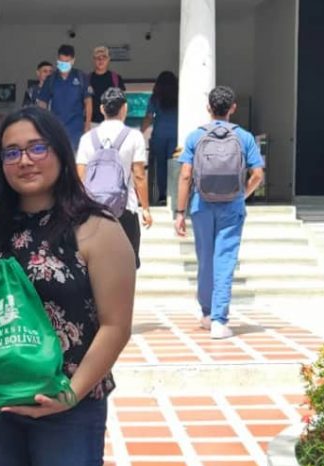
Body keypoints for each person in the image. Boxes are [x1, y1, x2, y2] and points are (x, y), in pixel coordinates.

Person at [0, 107, 135, 466]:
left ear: (60, 153)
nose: (25, 160)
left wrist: (70, 393)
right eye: (11, 152)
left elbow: (115, 325)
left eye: (37, 147)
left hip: (69, 403)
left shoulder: (95, 227)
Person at [174, 86, 265, 339]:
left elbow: (185, 175)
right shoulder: (245, 137)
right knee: (225, 260)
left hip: (201, 205)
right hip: (232, 206)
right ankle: (219, 320)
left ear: (208, 108)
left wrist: (179, 212)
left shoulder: (195, 137)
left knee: (205, 260)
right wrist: (242, 195)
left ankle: (206, 314)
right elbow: (258, 174)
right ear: (233, 108)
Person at [77, 87, 152, 268]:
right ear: (124, 108)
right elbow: (139, 176)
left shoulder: (88, 138)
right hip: (126, 207)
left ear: (102, 109)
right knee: (127, 264)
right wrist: (146, 209)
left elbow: (80, 175)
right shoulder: (134, 137)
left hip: (94, 209)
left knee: (96, 264)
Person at [37, 44, 93, 151]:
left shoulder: (81, 77)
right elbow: (42, 104)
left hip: (77, 130)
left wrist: (87, 124)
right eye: (61, 62)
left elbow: (88, 102)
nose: (64, 65)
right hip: (56, 130)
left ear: (73, 61)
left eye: (67, 62)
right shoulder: (51, 80)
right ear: (57, 60)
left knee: (76, 162)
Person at [141, 71, 179, 204]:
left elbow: (149, 117)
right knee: (174, 164)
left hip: (159, 135)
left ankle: (163, 195)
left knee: (161, 166)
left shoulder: (156, 98)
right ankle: (175, 194)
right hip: (176, 135)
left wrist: (140, 132)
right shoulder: (179, 97)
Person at [88, 46, 124, 126]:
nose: (101, 60)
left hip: (113, 123)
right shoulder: (87, 79)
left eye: (104, 57)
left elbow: (122, 103)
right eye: (98, 58)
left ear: (108, 59)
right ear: (93, 60)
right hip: (92, 123)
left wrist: (121, 122)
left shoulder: (116, 78)